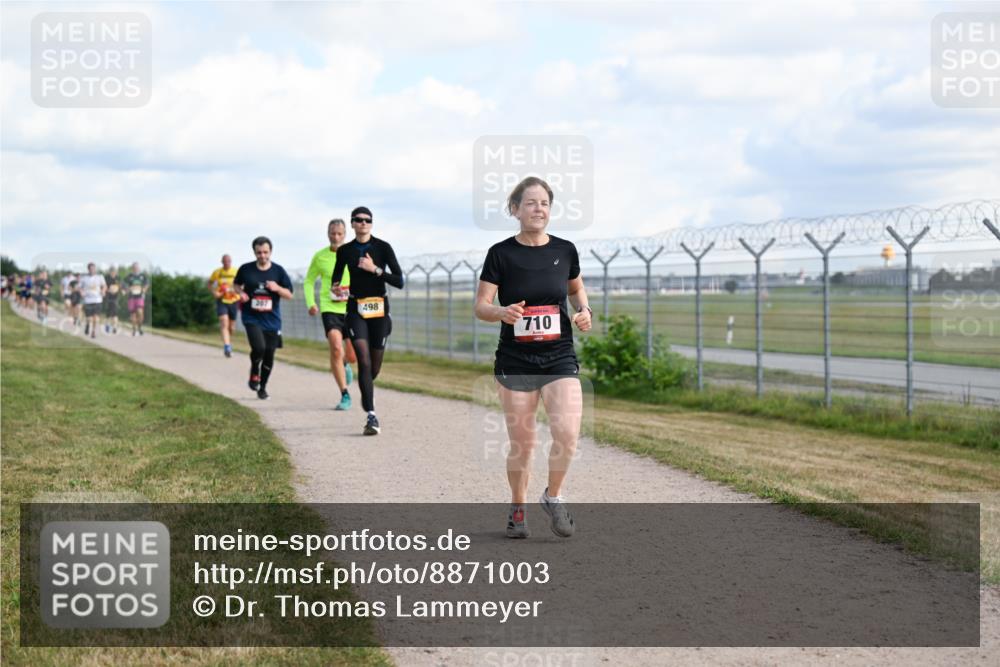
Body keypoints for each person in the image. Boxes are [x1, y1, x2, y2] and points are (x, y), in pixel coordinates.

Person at [473, 176, 592, 539]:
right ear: (515, 210)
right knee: (523, 444)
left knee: (568, 432)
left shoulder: (566, 250)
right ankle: (517, 507)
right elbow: (481, 306)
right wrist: (501, 313)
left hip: (559, 357)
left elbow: (575, 289)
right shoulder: (500, 253)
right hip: (515, 360)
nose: (538, 209)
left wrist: (584, 310)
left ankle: (553, 496)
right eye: (530, 203)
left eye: (544, 203)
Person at [331, 206, 404, 435]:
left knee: (373, 368)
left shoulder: (383, 248)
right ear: (352, 224)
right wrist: (337, 290)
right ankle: (371, 416)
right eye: (359, 220)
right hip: (356, 309)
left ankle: (365, 387)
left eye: (367, 220)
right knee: (362, 360)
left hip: (379, 310)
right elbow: (335, 279)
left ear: (371, 224)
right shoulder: (345, 251)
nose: (363, 223)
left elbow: (399, 281)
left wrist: (375, 270)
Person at [305, 219, 358, 410]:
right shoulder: (320, 257)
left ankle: (345, 364)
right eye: (332, 233)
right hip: (330, 308)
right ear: (328, 234)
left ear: (346, 234)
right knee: (336, 347)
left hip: (352, 308)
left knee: (352, 356)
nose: (335, 237)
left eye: (339, 234)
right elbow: (309, 281)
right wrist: (311, 303)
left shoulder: (354, 253)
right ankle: (345, 394)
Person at [233, 236, 293, 400]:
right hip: (251, 316)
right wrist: (241, 293)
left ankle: (263, 387)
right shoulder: (246, 269)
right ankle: (254, 370)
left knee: (269, 354)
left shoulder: (278, 271)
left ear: (270, 252)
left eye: (265, 252)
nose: (262, 256)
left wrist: (277, 288)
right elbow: (236, 284)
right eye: (259, 252)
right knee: (259, 347)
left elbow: (289, 294)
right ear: (254, 252)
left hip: (272, 319)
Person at [207, 254, 240, 357]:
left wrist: (236, 290)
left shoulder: (236, 272)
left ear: (231, 261)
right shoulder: (217, 272)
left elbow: (242, 284)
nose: (227, 263)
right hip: (222, 300)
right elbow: (209, 284)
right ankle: (227, 346)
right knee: (224, 322)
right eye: (225, 261)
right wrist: (214, 293)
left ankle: (228, 341)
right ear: (222, 262)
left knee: (231, 327)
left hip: (234, 300)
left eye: (229, 261)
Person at [79, 263, 107, 339]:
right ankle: (87, 324)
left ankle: (93, 331)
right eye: (91, 269)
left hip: (97, 299)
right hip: (88, 300)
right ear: (88, 269)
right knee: (89, 318)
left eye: (93, 269)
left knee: (96, 317)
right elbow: (80, 287)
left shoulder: (100, 277)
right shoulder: (84, 278)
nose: (92, 270)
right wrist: (81, 292)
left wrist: (103, 291)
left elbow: (104, 285)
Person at [123, 262, 148, 336]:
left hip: (140, 297)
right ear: (132, 268)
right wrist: (127, 289)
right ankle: (134, 329)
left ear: (139, 268)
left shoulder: (143, 276)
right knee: (133, 315)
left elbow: (147, 284)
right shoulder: (129, 276)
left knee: (140, 312)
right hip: (131, 297)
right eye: (134, 268)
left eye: (137, 267)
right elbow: (123, 284)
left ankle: (139, 327)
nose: (136, 269)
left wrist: (144, 289)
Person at [104, 266, 121, 334]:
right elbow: (103, 287)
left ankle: (114, 327)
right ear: (110, 272)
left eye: (115, 272)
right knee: (108, 314)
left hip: (115, 298)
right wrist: (109, 290)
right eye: (112, 271)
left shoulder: (118, 278)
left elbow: (120, 286)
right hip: (108, 298)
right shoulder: (107, 278)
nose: (113, 273)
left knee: (114, 314)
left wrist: (119, 289)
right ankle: (108, 325)